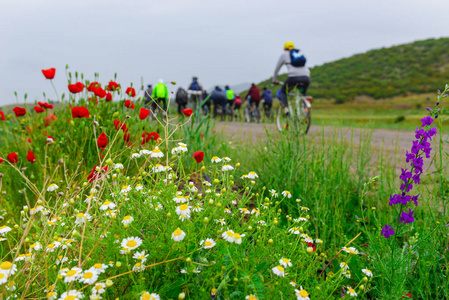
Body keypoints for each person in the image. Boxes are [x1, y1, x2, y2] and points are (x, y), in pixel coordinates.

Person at [273, 41, 310, 113]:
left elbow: (276, 69)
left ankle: (286, 109)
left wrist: (274, 80)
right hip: (306, 77)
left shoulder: (284, 54)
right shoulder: (299, 53)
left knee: (283, 92)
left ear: (285, 48)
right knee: (302, 93)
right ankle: (305, 108)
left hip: (293, 77)